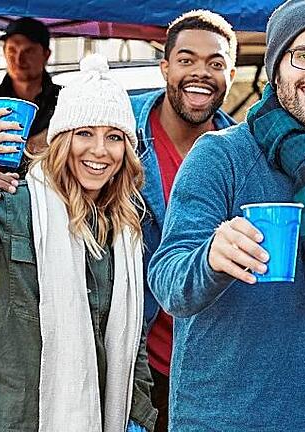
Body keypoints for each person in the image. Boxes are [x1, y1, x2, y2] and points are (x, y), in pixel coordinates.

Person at [147, 0, 305, 430]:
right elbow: (169, 285)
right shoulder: (220, 157)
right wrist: (211, 258)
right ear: (276, 64)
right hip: (223, 419)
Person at [0, 54, 156, 432]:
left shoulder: (125, 227)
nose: (99, 150)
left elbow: (130, 337)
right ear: (60, 141)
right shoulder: (13, 203)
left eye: (114, 137)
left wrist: (136, 414)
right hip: (4, 419)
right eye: (84, 133)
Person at [128, 10, 237, 432]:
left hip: (214, 362)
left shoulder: (244, 153)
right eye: (187, 60)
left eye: (215, 64)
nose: (201, 73)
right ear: (165, 68)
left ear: (230, 72)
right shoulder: (121, 133)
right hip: (137, 360)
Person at [0, 17, 61, 199]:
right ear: (4, 52)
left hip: (52, 193)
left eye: (28, 51)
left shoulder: (64, 100)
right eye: (12, 50)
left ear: (46, 55)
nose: (19, 58)